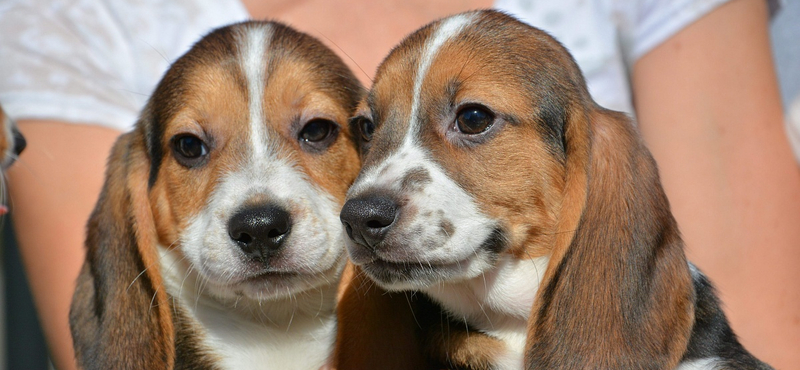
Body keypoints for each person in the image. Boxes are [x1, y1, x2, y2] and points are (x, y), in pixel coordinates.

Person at [1, 0, 797, 369]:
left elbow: (763, 323)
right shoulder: (74, 18)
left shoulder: (600, 161)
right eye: (371, 130)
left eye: (320, 133)